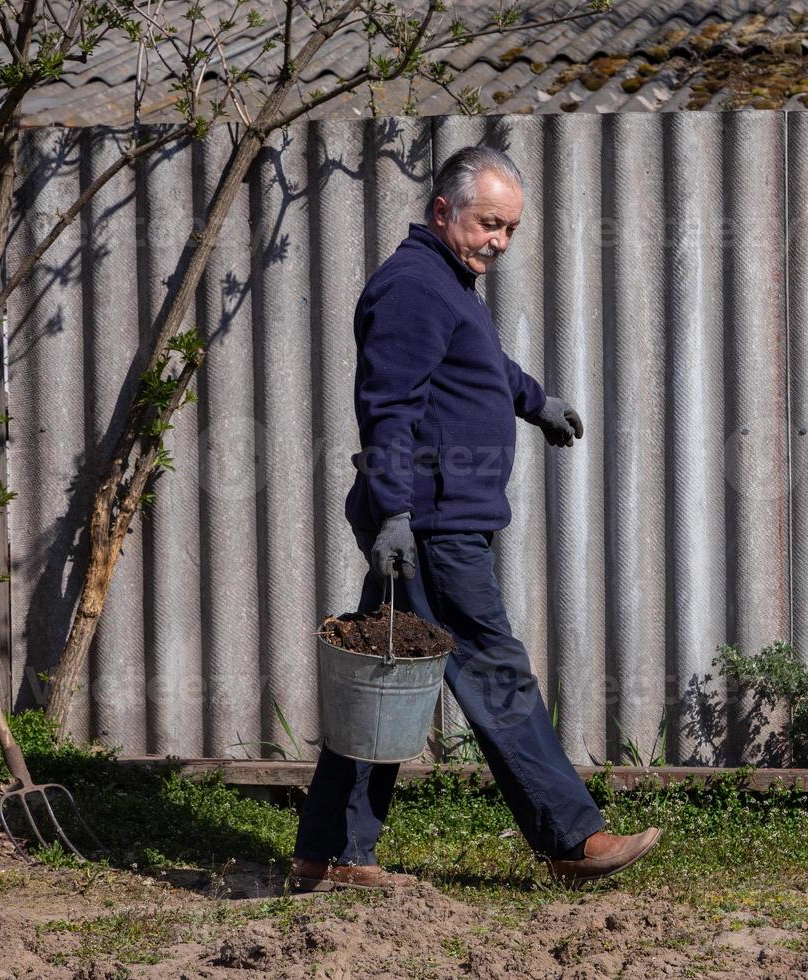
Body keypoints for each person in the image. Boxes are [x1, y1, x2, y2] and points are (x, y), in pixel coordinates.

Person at [290, 145, 661, 891]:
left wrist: (534, 401)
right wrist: (394, 511)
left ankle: (329, 855)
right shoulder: (412, 288)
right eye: (490, 224)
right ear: (443, 212)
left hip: (434, 519)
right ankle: (572, 838)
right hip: (428, 526)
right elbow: (388, 406)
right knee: (494, 670)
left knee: (381, 680)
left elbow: (477, 364)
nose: (499, 241)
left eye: (511, 230)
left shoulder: (447, 285)